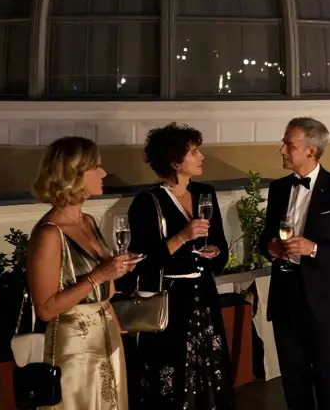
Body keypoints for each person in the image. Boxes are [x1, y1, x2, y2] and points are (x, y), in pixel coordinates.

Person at [259, 117, 330, 410]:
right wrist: (271, 247)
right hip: (285, 298)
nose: (281, 149)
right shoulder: (278, 189)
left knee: (328, 380)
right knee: (293, 382)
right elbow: (264, 239)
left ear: (312, 151)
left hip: (325, 302)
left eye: (289, 145)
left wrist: (314, 248)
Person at [125, 123, 234, 410]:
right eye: (194, 151)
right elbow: (143, 263)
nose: (201, 157)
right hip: (172, 300)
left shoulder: (205, 193)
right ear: (174, 162)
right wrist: (182, 237)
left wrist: (216, 252)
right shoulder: (147, 202)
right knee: (172, 375)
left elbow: (221, 248)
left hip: (204, 295)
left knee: (211, 372)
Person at [27, 136, 138, 410]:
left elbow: (105, 289)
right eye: (96, 167)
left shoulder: (87, 221)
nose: (103, 173)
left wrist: (116, 271)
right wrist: (99, 275)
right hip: (73, 347)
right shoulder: (49, 233)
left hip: (106, 335)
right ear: (74, 175)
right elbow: (45, 309)